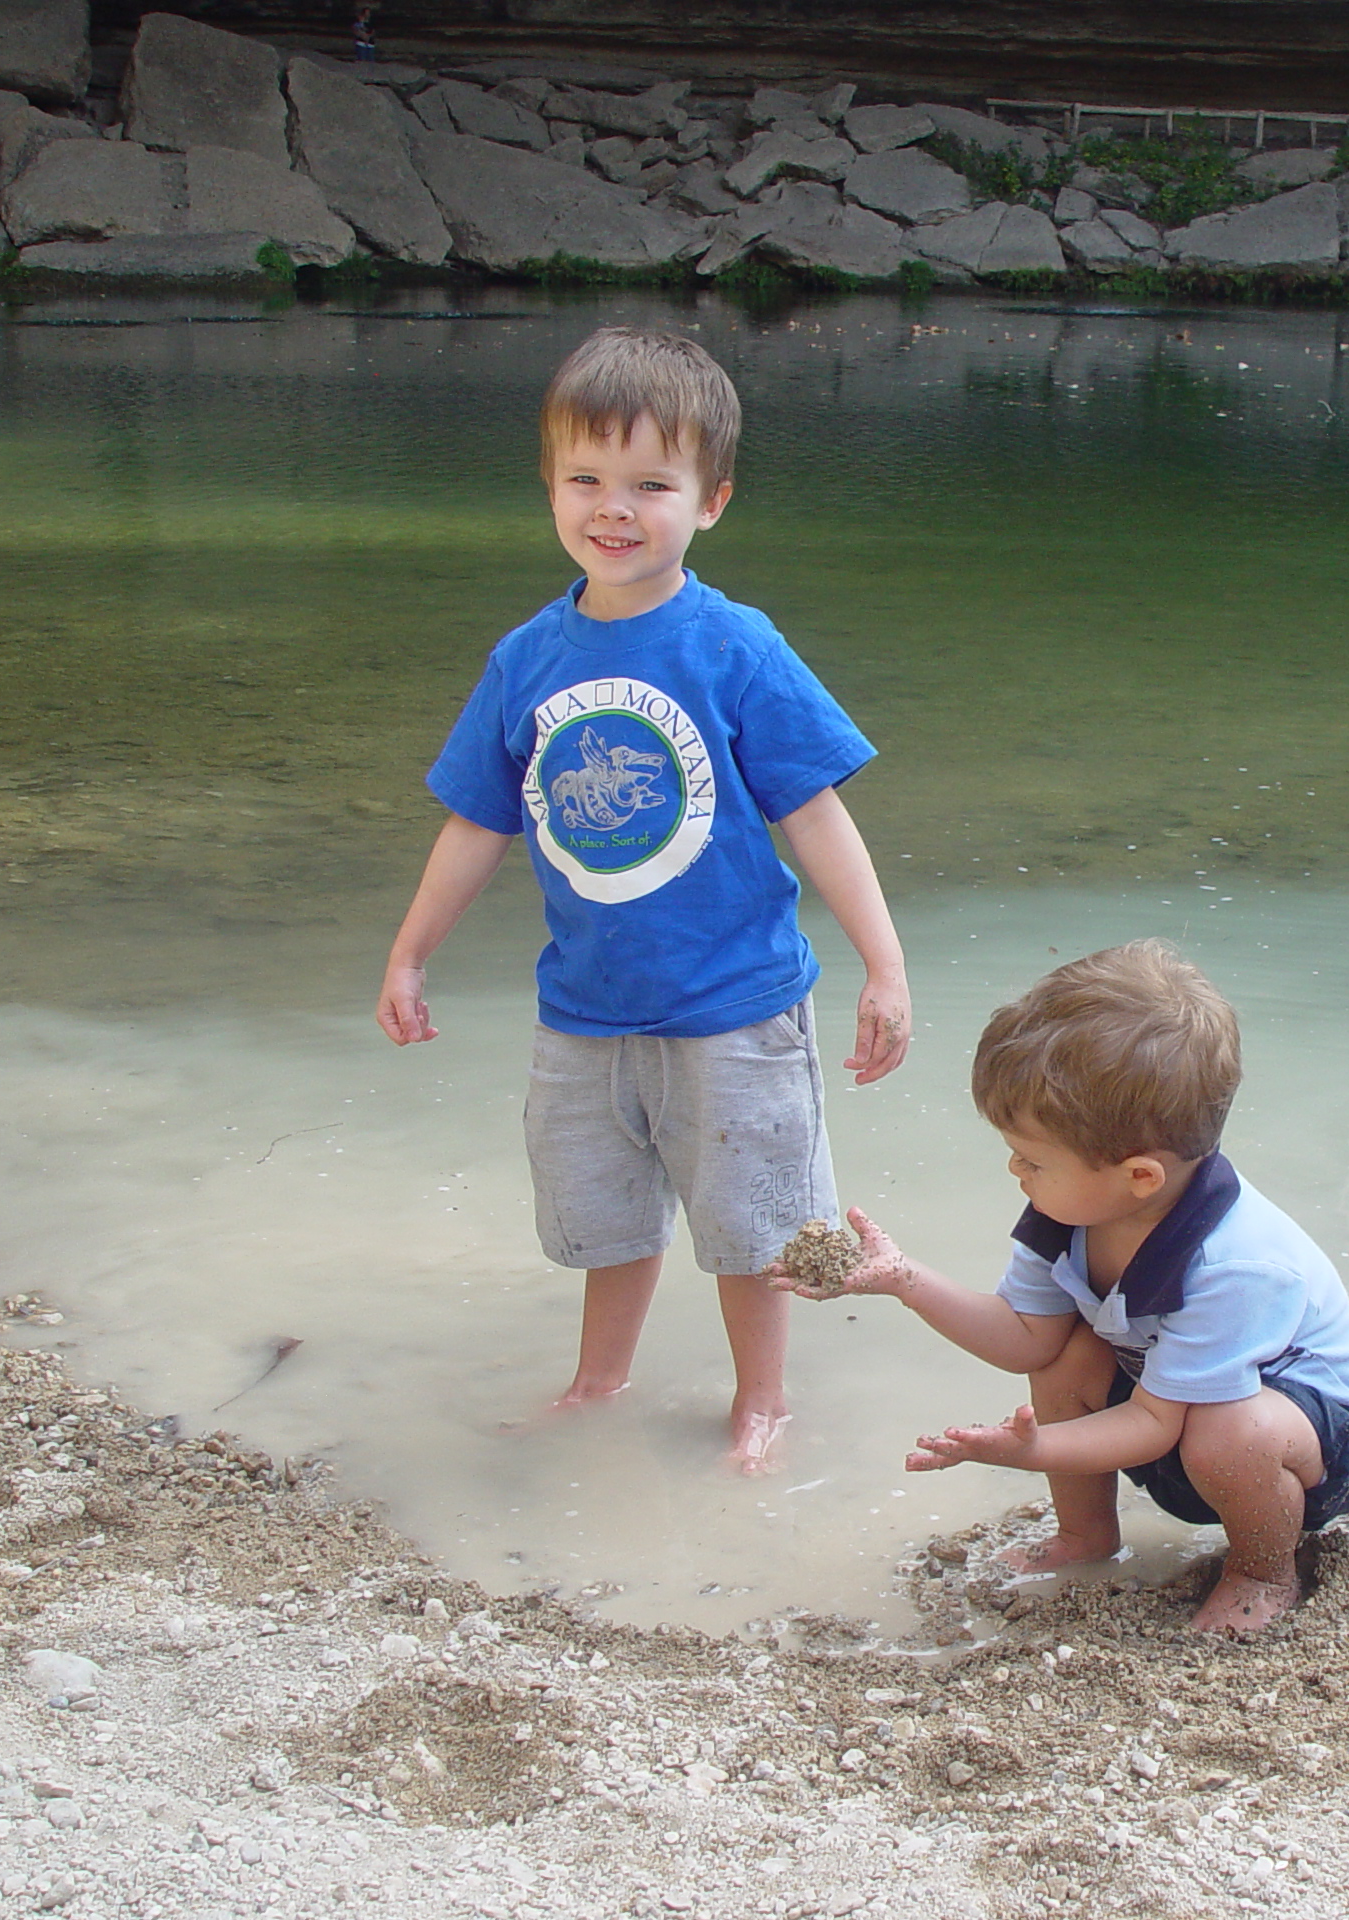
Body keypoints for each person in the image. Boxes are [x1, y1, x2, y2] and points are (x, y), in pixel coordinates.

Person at [376, 326, 910, 1474]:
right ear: (550, 486)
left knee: (754, 1227)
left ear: (710, 501)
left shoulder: (733, 646)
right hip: (586, 1008)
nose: (613, 510)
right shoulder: (527, 658)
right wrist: (410, 955)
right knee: (602, 1218)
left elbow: (813, 811)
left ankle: (761, 1400)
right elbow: (478, 820)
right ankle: (598, 1382)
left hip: (733, 1003)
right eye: (586, 480)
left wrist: (885, 963)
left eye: (649, 485)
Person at [770, 941, 1349, 1635]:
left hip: (1321, 1445)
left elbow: (1155, 1423)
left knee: (1231, 1431)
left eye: (1035, 1158)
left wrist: (1031, 1451)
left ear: (1139, 1177)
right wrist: (903, 1280)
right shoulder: (1070, 1213)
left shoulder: (1235, 1265)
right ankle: (1086, 1535)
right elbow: (1023, 1337)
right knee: (1069, 1355)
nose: (1015, 1167)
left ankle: (1262, 1571)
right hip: (1188, 1422)